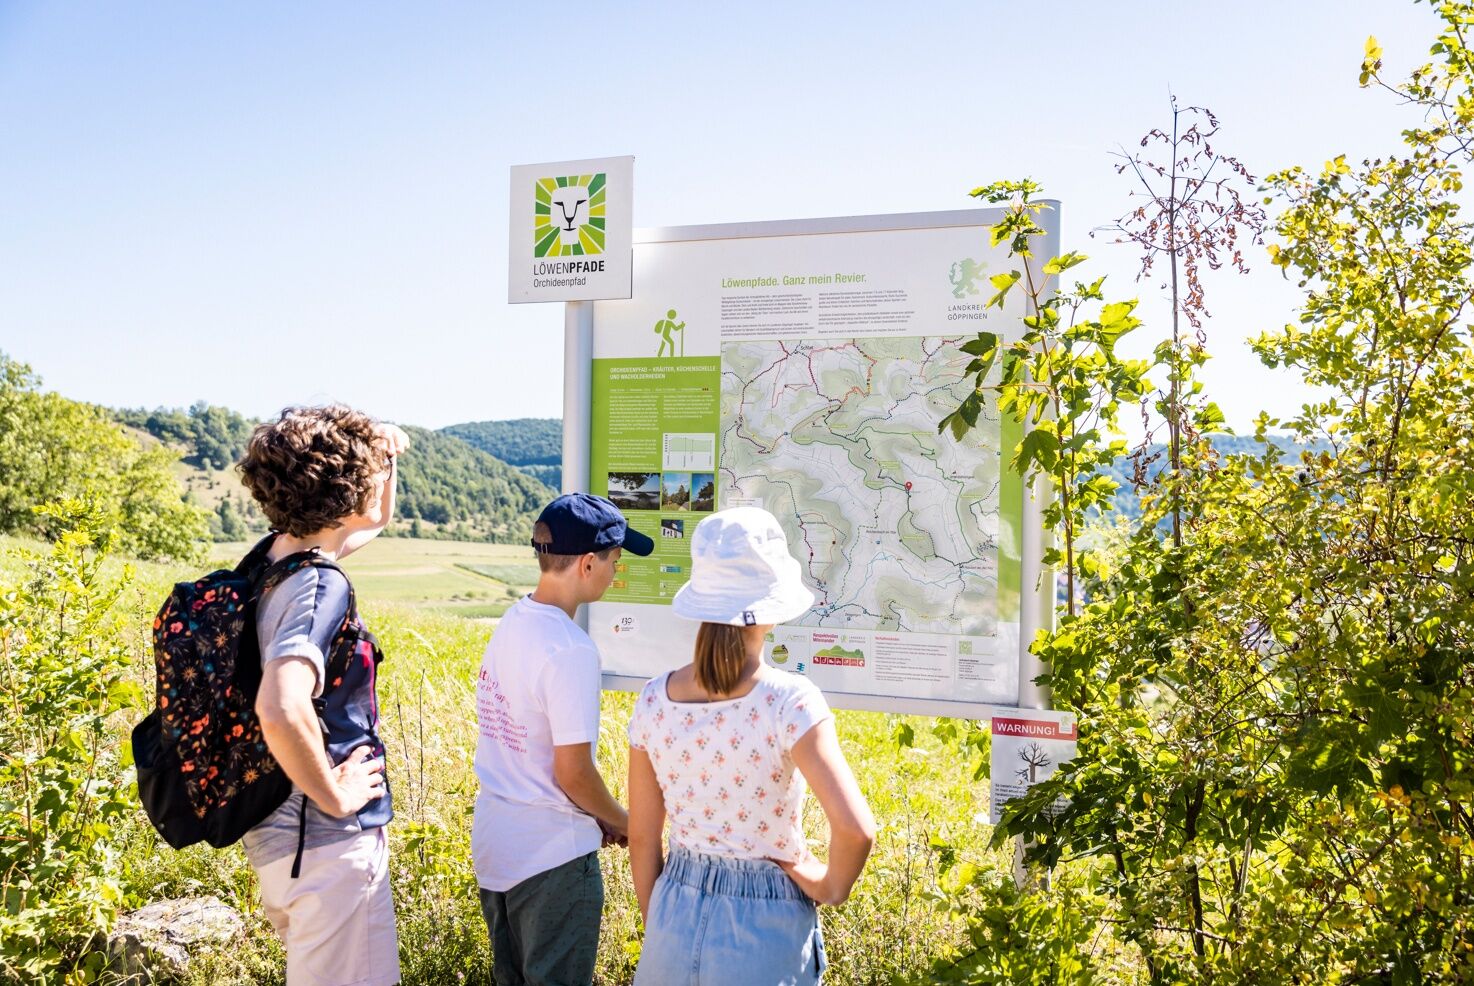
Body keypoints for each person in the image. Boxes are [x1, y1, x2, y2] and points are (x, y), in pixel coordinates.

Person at [626, 507, 877, 985]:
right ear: (773, 607)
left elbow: (642, 836)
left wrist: (659, 923)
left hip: (673, 915)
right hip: (764, 928)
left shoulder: (654, 700)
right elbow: (855, 829)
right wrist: (829, 886)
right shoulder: (789, 702)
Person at [237, 404, 409, 986]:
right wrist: (336, 796)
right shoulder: (318, 586)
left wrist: (386, 458)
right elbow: (281, 705)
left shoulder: (274, 559)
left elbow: (375, 519)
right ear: (349, 493)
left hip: (284, 842)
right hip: (327, 846)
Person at [472, 493, 655, 986]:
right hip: (551, 857)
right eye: (615, 561)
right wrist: (624, 822)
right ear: (588, 564)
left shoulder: (514, 621)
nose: (616, 572)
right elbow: (572, 772)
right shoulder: (570, 649)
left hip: (497, 846)